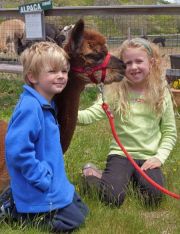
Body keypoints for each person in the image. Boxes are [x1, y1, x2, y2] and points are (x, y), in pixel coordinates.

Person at [78, 38, 177, 207]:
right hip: (121, 155)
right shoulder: (115, 92)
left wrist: (159, 158)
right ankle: (91, 175)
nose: (133, 67)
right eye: (128, 63)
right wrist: (66, 113)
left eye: (139, 61)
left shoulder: (162, 92)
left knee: (153, 199)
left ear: (152, 62)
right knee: (112, 198)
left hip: (148, 157)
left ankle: (130, 179)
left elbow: (169, 132)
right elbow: (90, 115)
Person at [2, 41, 88, 232]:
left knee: (81, 210)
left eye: (64, 72)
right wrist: (40, 177)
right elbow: (17, 151)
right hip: (38, 183)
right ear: (32, 76)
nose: (61, 76)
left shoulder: (46, 104)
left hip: (52, 179)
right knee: (70, 223)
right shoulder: (30, 109)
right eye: (53, 71)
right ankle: (13, 208)